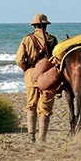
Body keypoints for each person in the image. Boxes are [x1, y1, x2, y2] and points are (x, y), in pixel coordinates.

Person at [15, 13, 59, 143]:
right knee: (45, 109)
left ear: (34, 26)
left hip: (32, 77)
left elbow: (20, 60)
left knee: (31, 106)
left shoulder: (27, 39)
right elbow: (57, 58)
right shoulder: (53, 39)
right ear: (45, 26)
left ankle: (31, 136)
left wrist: (27, 70)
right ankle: (42, 138)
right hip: (48, 77)